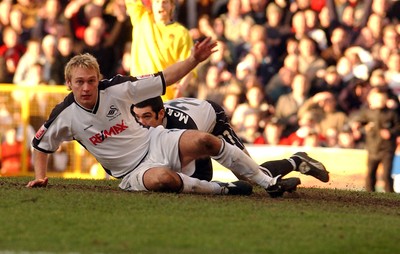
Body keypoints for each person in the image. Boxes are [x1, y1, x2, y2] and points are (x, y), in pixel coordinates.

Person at [26, 39, 301, 198]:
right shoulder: (65, 115)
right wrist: (40, 177)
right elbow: (40, 145)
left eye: (91, 81)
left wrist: (194, 59)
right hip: (131, 172)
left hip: (156, 141)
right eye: (79, 83)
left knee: (206, 140)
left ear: (98, 79)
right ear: (68, 84)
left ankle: (269, 183)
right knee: (163, 181)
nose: (86, 88)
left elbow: (164, 78)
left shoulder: (118, 88)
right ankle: (220, 188)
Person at [132, 96, 330, 190]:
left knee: (252, 176)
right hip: (192, 114)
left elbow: (197, 172)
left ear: (160, 114)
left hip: (212, 121)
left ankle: (296, 160)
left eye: (147, 117)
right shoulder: (141, 122)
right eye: (138, 117)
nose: (142, 123)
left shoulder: (184, 127)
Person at [125, 0, 195, 101]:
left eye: (165, 2)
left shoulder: (182, 33)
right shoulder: (141, 17)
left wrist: (182, 87)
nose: (161, 5)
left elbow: (191, 63)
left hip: (164, 97)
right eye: (157, 1)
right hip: (138, 93)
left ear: (172, 6)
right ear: (151, 5)